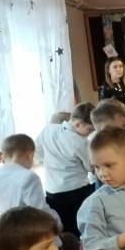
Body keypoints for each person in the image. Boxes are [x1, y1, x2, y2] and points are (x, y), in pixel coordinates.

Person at [35, 101, 95, 236]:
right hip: (76, 191)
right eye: (89, 129)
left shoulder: (48, 129)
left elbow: (37, 152)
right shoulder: (80, 142)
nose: (89, 133)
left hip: (52, 190)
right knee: (80, 227)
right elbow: (90, 167)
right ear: (78, 124)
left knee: (63, 227)